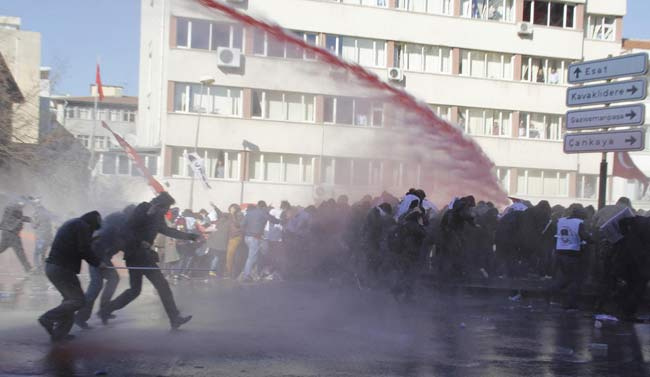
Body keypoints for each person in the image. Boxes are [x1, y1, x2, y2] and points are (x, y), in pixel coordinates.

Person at [99, 192, 199, 329]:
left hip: (145, 256)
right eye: (166, 207)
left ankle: (174, 318)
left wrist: (190, 236)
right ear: (159, 204)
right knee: (146, 288)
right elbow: (127, 229)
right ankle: (106, 310)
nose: (167, 210)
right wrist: (141, 237)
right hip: (135, 255)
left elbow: (166, 230)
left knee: (147, 288)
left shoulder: (158, 216)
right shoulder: (143, 208)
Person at [38, 211, 105, 341]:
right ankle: (48, 318)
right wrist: (98, 263)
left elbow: (75, 244)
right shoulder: (82, 226)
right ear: (93, 221)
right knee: (78, 301)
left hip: (54, 267)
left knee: (69, 300)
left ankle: (59, 335)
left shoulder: (75, 223)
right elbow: (83, 249)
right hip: (62, 268)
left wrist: (91, 239)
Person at [74, 205, 135, 329]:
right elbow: (109, 238)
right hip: (98, 254)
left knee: (112, 279)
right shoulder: (122, 220)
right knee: (96, 285)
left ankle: (103, 310)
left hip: (101, 254)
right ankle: (82, 316)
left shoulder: (117, 218)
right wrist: (99, 259)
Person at [547, 206, 590, 309]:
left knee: (565, 276)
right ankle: (571, 303)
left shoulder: (561, 221)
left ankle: (551, 293)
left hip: (560, 251)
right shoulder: (578, 222)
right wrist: (592, 239)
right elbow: (584, 236)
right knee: (575, 279)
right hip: (573, 253)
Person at [239, 201, 279, 282]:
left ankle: (254, 272)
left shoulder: (249, 213)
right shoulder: (263, 212)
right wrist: (280, 220)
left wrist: (248, 231)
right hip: (255, 237)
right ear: (264, 207)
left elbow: (242, 224)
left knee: (256, 255)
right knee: (252, 257)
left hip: (247, 237)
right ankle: (247, 275)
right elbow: (273, 220)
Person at [0, 201, 32, 273]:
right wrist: (32, 220)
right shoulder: (16, 209)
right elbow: (21, 217)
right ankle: (28, 269)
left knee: (1, 248)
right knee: (20, 252)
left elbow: (19, 217)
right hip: (12, 234)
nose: (24, 206)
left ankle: (28, 268)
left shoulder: (9, 208)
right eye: (23, 204)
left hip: (5, 232)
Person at [31, 198, 54, 273]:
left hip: (40, 238)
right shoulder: (47, 212)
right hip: (48, 237)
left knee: (37, 253)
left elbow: (34, 225)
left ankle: (38, 268)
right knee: (43, 253)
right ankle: (44, 268)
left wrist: (32, 221)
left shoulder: (36, 214)